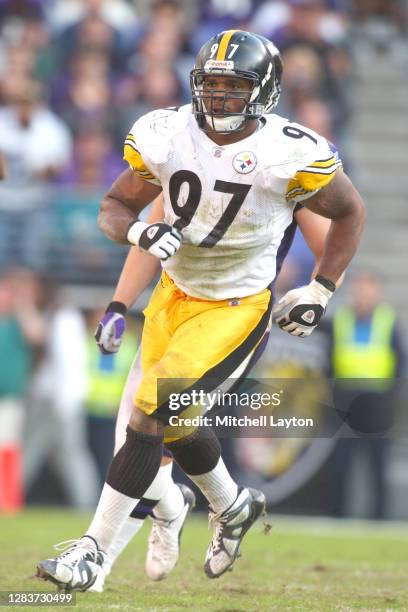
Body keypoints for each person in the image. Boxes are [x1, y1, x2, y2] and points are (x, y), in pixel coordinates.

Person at [37, 30, 364, 592]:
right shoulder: (169, 135)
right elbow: (116, 207)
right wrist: (129, 271)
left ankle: (91, 557)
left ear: (263, 92)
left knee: (148, 419)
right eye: (209, 84)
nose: (218, 97)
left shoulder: (288, 153)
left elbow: (348, 213)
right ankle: (230, 504)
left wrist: (321, 289)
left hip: (233, 308)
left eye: (232, 87)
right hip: (171, 298)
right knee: (169, 425)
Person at [327, 271, 405, 519]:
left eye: (368, 291)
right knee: (341, 463)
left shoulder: (388, 322)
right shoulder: (340, 320)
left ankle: (378, 518)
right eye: (360, 290)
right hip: (346, 400)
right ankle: (336, 516)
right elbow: (328, 361)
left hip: (377, 401)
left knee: (377, 462)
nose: (364, 296)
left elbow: (400, 362)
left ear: (377, 294)